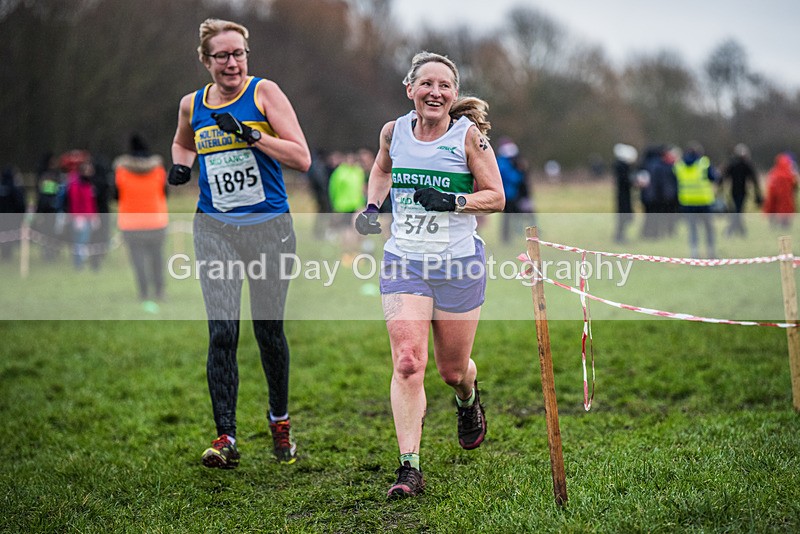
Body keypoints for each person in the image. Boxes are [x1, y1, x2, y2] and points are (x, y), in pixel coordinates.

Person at [354, 51, 505, 499]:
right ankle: (409, 468)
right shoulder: (393, 131)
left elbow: (496, 196)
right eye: (427, 84)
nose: (435, 92)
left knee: (452, 370)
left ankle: (468, 398)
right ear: (410, 89)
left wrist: (454, 202)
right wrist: (372, 206)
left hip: (458, 264)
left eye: (445, 86)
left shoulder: (468, 137)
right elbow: (382, 170)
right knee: (407, 362)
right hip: (406, 261)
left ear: (454, 94)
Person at [169, 18, 311, 468]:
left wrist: (252, 135)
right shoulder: (192, 104)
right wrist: (181, 166)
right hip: (214, 228)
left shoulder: (264, 93)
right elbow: (182, 143)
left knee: (267, 330)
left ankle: (280, 421)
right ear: (205, 60)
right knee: (223, 331)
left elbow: (302, 157)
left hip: (270, 228)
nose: (232, 63)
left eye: (238, 54)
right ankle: (225, 437)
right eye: (222, 56)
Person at [113, 134, 169, 313]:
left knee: (138, 261)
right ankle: (159, 291)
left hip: (131, 223)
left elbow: (115, 195)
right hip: (156, 221)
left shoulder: (121, 171)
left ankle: (144, 292)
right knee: (157, 259)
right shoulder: (158, 170)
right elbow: (165, 193)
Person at [674, 142, 719, 258]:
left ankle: (694, 254)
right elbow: (714, 178)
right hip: (704, 201)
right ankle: (711, 253)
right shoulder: (704, 163)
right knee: (708, 228)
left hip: (687, 202)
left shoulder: (679, 165)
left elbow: (674, 181)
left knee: (692, 229)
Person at [63, 158, 100, 270]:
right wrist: (77, 216)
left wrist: (94, 216)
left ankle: (82, 262)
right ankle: (78, 264)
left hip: (89, 217)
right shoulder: (75, 185)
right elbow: (74, 202)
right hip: (80, 218)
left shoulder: (89, 184)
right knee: (79, 241)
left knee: (85, 241)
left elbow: (92, 202)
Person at [496, 136, 532, 244]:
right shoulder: (503, 163)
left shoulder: (504, 161)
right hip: (508, 195)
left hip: (511, 194)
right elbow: (512, 178)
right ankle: (507, 238)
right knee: (508, 218)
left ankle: (511, 236)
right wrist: (520, 172)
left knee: (512, 217)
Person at [721, 143, 762, 236]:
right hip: (740, 192)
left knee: (737, 212)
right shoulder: (746, 165)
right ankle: (738, 232)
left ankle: (737, 231)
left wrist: (720, 189)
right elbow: (754, 180)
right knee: (738, 212)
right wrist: (757, 193)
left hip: (735, 192)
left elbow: (723, 177)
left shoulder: (732, 164)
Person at [762, 152, 798, 229]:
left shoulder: (774, 173)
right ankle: (784, 225)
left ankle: (774, 224)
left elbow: (770, 185)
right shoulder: (790, 173)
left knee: (774, 210)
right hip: (786, 198)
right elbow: (794, 184)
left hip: (775, 197)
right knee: (785, 211)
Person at [611, 143, 637, 244]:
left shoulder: (622, 166)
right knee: (624, 217)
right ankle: (619, 236)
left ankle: (620, 235)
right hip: (623, 197)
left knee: (624, 217)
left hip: (624, 196)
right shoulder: (622, 167)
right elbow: (625, 181)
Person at [0, 166, 27, 262]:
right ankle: (7, 255)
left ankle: (5, 254)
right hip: (11, 217)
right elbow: (20, 203)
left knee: (4, 237)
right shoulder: (14, 188)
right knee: (9, 237)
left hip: (3, 218)